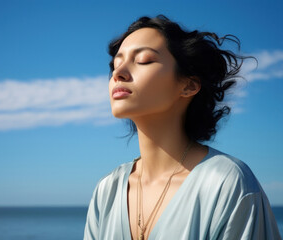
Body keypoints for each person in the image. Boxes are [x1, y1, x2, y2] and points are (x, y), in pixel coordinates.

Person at [84, 15, 281, 240]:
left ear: (188, 85)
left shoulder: (227, 184)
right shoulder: (107, 190)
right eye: (115, 64)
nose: (118, 73)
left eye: (144, 60)